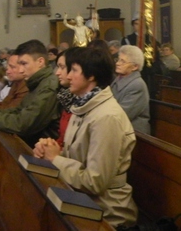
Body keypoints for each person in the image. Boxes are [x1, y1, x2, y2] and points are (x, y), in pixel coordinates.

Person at [33, 48, 138, 228]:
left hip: (107, 211)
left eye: (74, 70)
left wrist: (55, 159)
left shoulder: (106, 117)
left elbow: (95, 182)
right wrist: (48, 149)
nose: (68, 75)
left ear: (91, 76)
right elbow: (75, 157)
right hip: (83, 199)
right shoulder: (83, 106)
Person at [0, 40, 60, 146]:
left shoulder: (48, 86)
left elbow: (22, 124)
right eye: (19, 64)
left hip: (38, 148)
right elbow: (17, 110)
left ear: (40, 62)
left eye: (24, 64)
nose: (21, 70)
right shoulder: (37, 82)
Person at [111, 45, 150, 134]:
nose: (117, 63)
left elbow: (123, 114)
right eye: (118, 60)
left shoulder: (137, 85)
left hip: (133, 132)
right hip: (118, 126)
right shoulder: (118, 78)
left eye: (123, 61)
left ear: (134, 67)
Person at [55, 48, 78, 148]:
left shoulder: (79, 101)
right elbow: (62, 138)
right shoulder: (66, 97)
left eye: (62, 67)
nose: (57, 72)